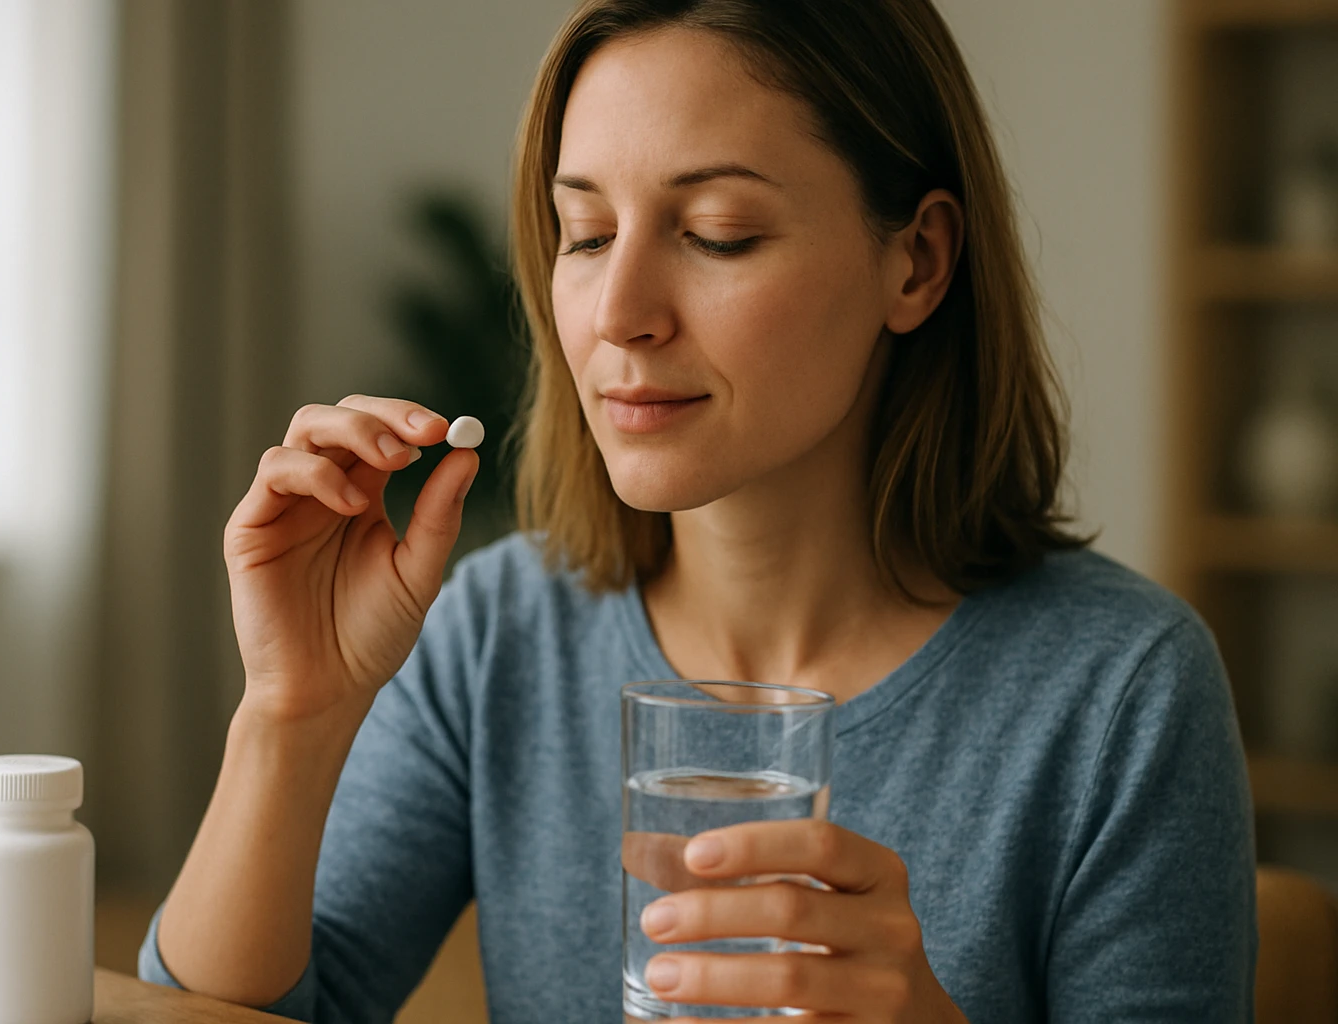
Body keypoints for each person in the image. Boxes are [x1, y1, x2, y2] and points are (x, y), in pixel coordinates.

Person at [138, 0, 1257, 1020]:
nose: (618, 313)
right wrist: (288, 718)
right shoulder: (494, 632)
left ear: (916, 262)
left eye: (717, 232)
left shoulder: (1123, 691)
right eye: (584, 234)